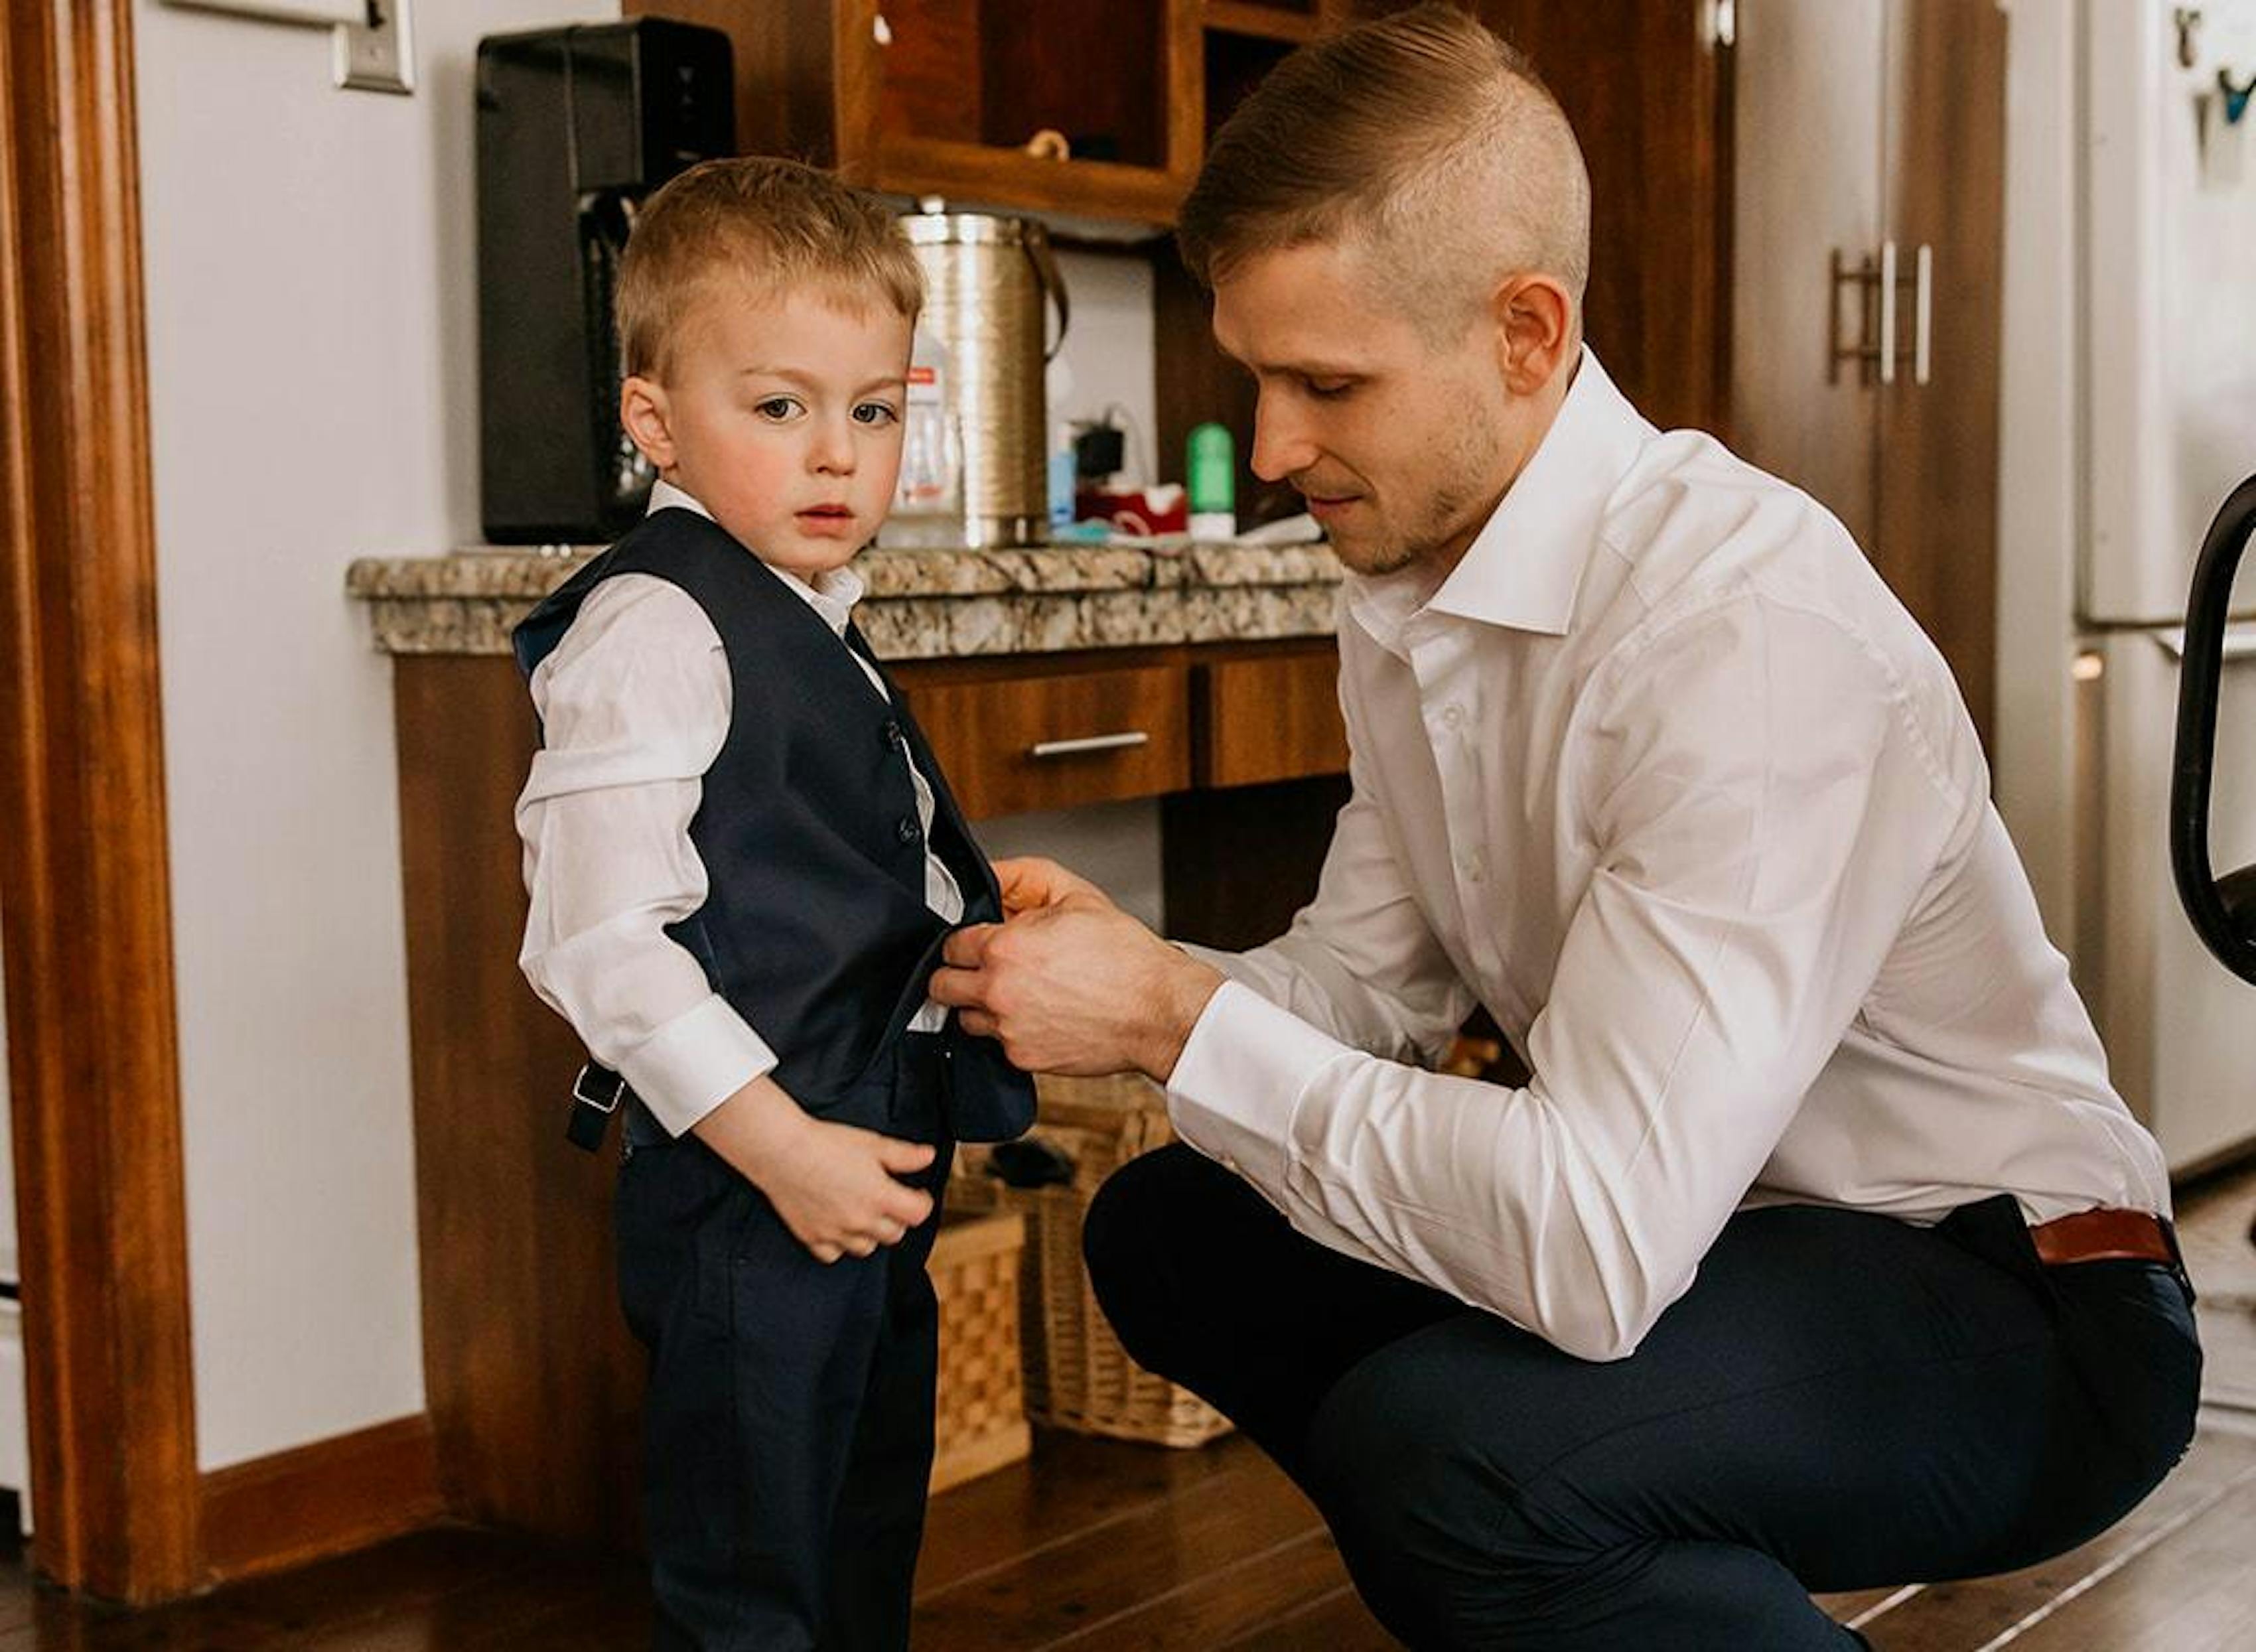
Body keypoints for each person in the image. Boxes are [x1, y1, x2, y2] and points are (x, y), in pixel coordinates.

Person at [928, 8, 2201, 1648]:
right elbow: (1361, 988)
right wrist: (1128, 975)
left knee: (1454, 1457)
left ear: (1525, 333)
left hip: (2015, 1295)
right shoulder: (1406, 582)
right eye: (1255, 376)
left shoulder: (1738, 637)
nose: (1272, 448)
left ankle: (1547, 1541)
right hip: (1720, 1237)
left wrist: (1178, 1026)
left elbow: (1592, 1244)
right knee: (1174, 1232)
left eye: (1326, 384)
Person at [510, 157, 1034, 1652]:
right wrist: (784, 1150)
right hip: (753, 1182)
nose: (837, 458)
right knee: (752, 1565)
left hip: (861, 1156)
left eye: (870, 411)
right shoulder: (654, 627)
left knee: (863, 1516)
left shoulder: (803, 615)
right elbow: (599, 937)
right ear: (656, 422)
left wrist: (960, 944)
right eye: (780, 406)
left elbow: (822, 864)